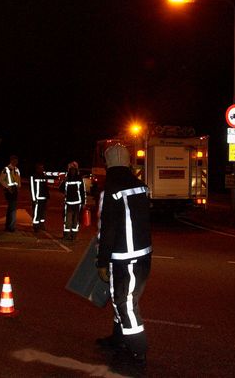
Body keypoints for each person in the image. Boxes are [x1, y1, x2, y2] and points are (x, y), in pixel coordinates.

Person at [95, 144, 152, 367]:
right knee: (122, 299)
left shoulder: (111, 190)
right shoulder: (141, 187)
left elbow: (107, 229)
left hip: (123, 257)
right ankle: (118, 338)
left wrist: (101, 261)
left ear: (108, 163)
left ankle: (138, 350)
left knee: (124, 302)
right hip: (143, 255)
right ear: (128, 162)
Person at [59, 161, 85, 240]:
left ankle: (73, 236)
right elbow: (61, 189)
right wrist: (64, 181)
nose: (72, 171)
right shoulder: (67, 179)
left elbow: (82, 191)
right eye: (71, 169)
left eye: (74, 169)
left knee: (75, 221)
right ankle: (66, 235)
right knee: (68, 221)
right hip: (68, 203)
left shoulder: (79, 179)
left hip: (77, 203)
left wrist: (83, 202)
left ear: (76, 170)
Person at [0, 155, 21, 232]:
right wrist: (8, 187)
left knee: (11, 209)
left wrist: (18, 187)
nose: (15, 162)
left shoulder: (17, 170)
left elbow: (18, 180)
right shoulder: (6, 169)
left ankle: (8, 226)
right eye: (14, 160)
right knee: (12, 209)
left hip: (15, 190)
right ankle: (11, 227)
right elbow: (0, 179)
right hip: (9, 190)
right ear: (11, 160)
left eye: (16, 160)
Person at [30, 162, 49, 232]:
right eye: (40, 168)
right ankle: (36, 226)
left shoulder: (44, 176)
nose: (42, 169)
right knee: (36, 213)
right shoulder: (33, 176)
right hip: (37, 198)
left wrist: (47, 197)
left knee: (42, 213)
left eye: (42, 168)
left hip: (43, 198)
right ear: (37, 169)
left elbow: (46, 187)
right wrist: (34, 199)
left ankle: (41, 224)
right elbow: (32, 188)